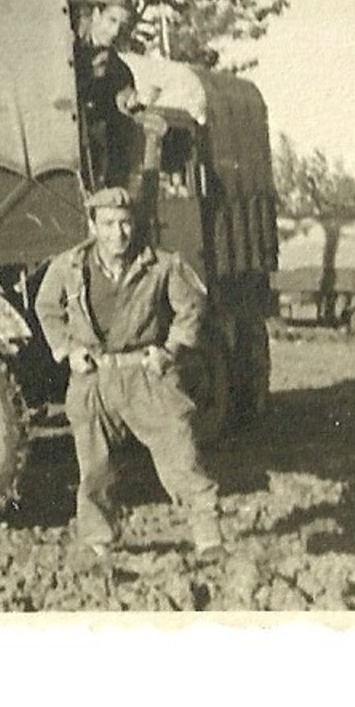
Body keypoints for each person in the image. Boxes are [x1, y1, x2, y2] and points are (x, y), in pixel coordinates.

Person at [35, 186, 224, 566]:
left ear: (134, 224)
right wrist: (67, 350)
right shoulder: (68, 267)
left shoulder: (162, 264)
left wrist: (170, 352)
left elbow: (191, 309)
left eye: (124, 224)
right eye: (107, 224)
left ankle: (208, 537)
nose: (117, 234)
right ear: (92, 225)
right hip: (93, 381)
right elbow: (46, 307)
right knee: (94, 468)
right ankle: (98, 543)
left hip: (146, 375)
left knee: (180, 451)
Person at [72, 0, 141, 189]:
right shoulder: (67, 50)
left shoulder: (119, 71)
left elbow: (120, 134)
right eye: (111, 20)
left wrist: (130, 102)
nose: (115, 32)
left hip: (90, 166)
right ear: (96, 14)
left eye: (122, 25)